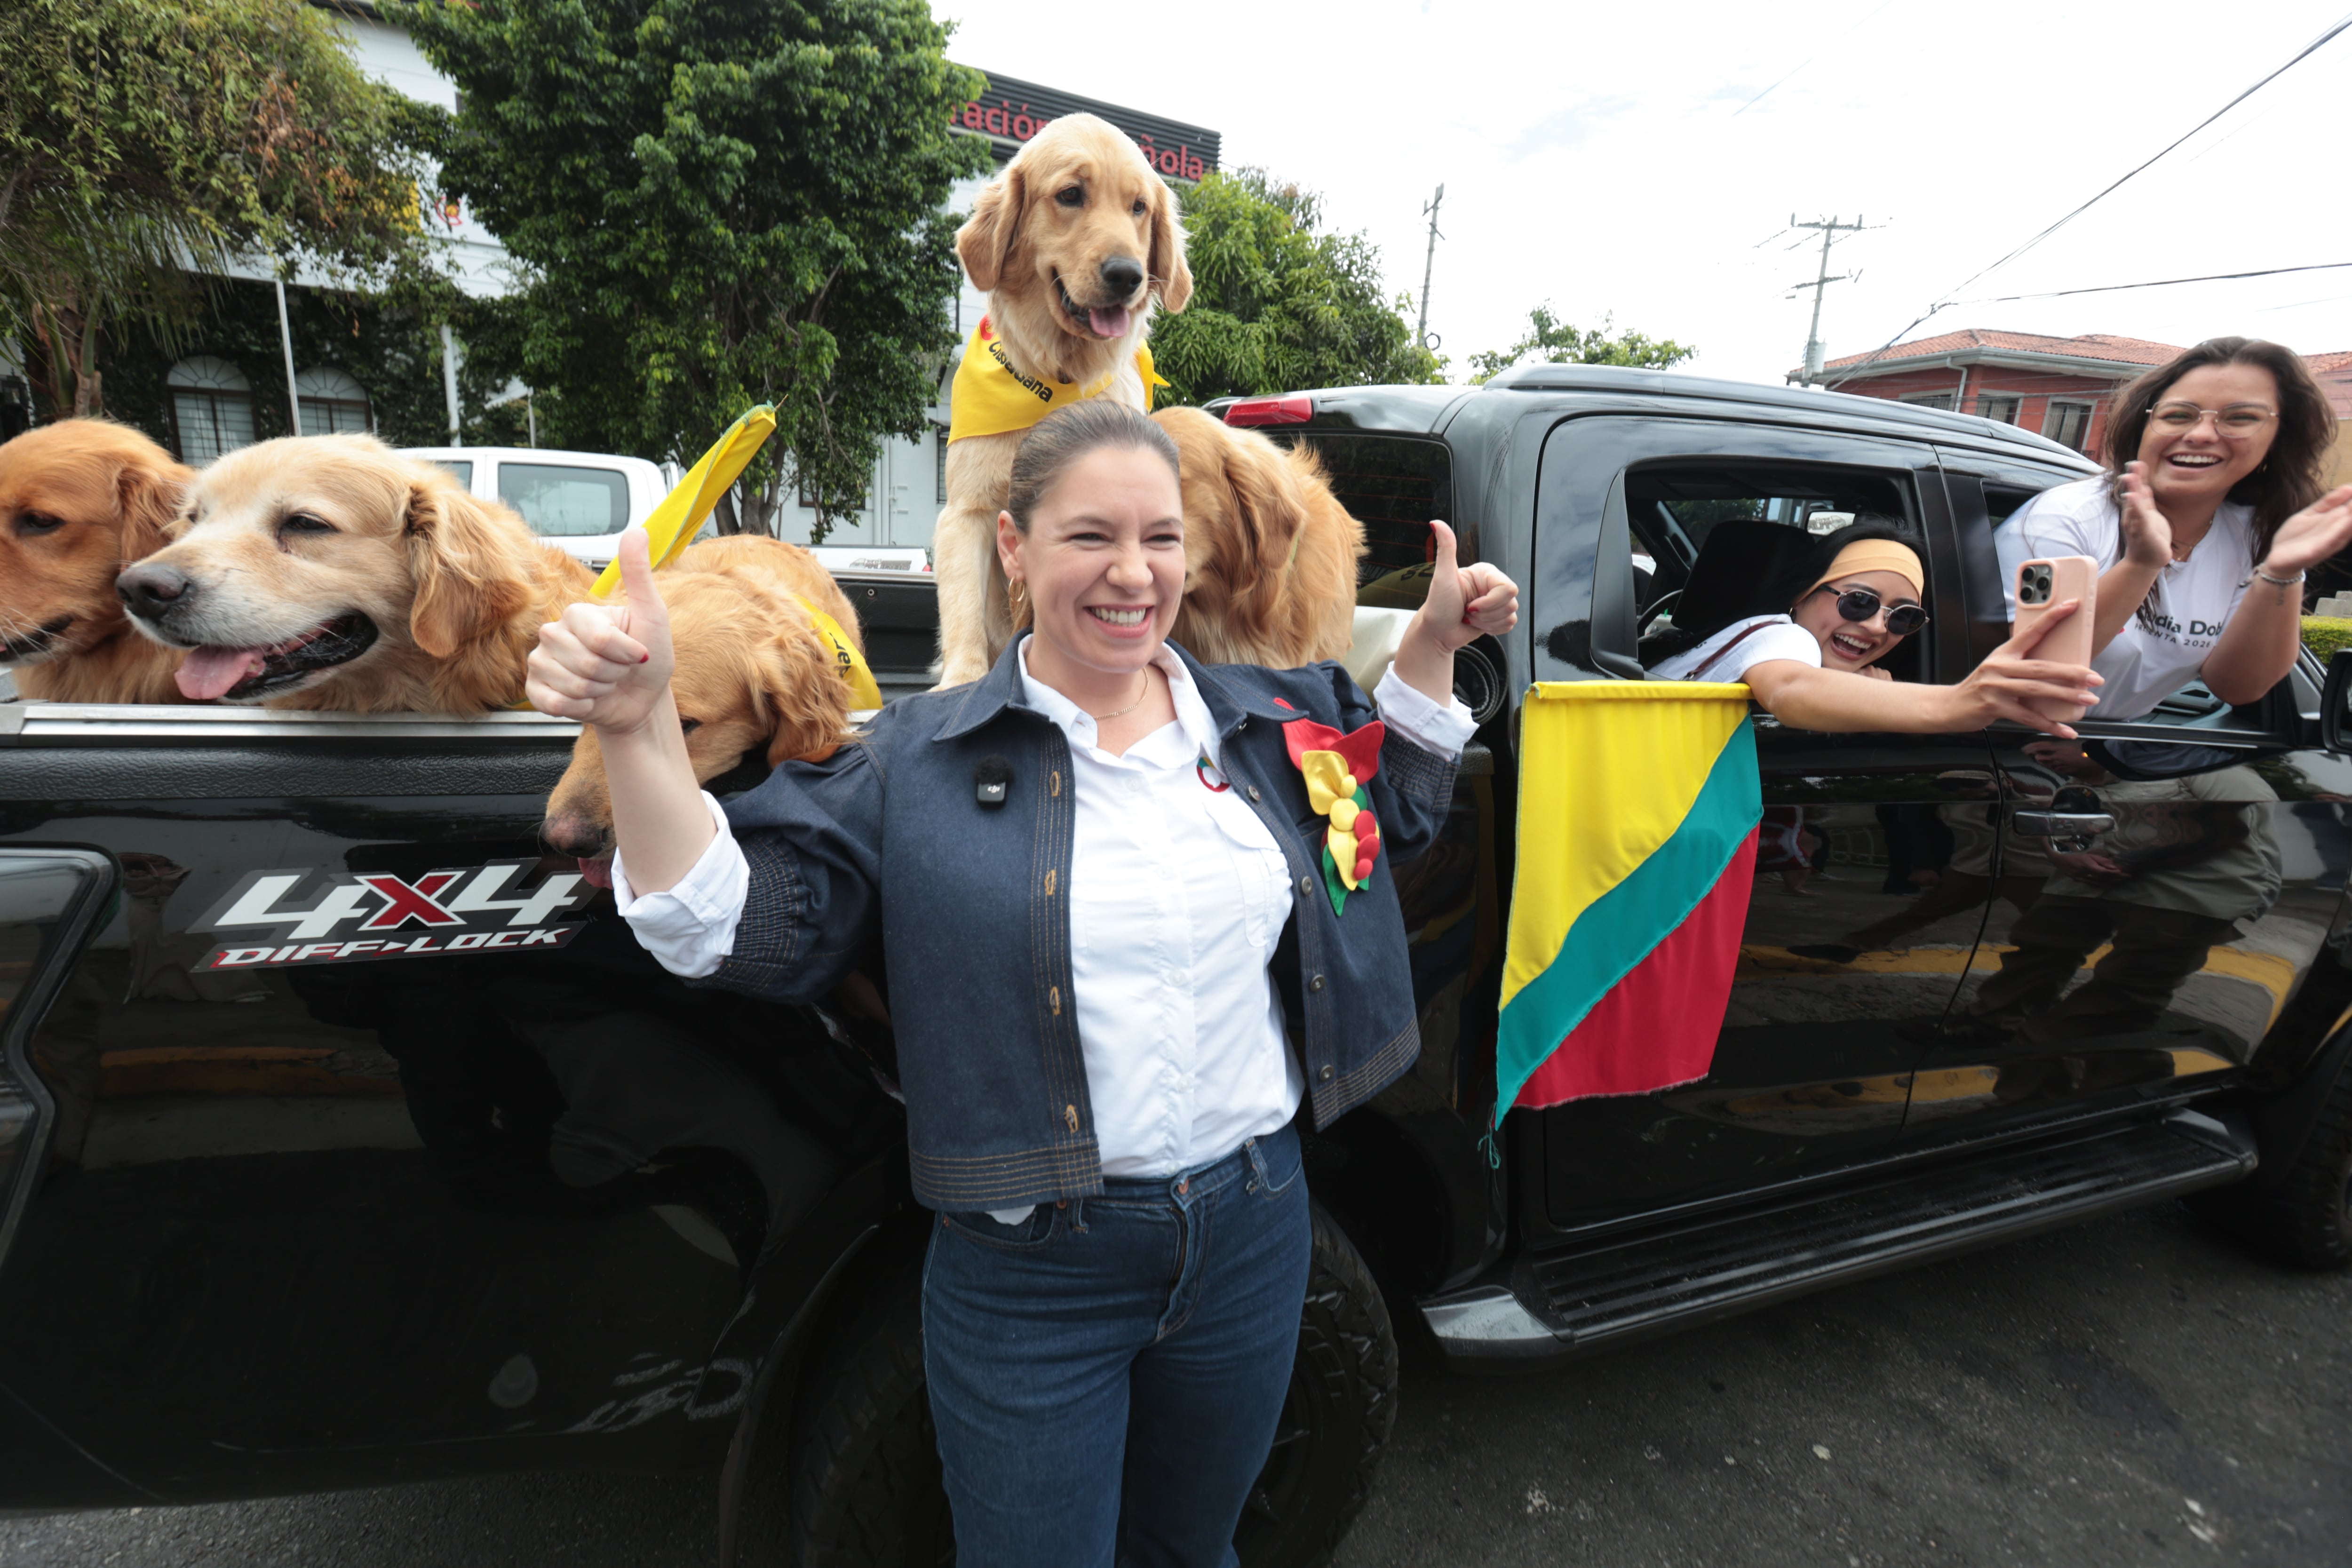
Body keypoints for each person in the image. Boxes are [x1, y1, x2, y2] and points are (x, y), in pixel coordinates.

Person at [523, 398, 1519, 1568]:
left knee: (1196, 1548)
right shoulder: (915, 761)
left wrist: (1433, 641)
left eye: (1159, 537)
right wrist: (637, 729)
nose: (1132, 573)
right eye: (1090, 535)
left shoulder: (1268, 718)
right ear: (1014, 546)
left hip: (1255, 1233)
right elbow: (731, 922)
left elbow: (1391, 810)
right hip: (1034, 1272)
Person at [1995, 335, 2352, 722]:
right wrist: (2142, 565)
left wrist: (2282, 573)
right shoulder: (2065, 519)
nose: (2200, 434)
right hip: (2011, 739)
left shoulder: (2250, 536)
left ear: (2279, 440)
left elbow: (2238, 687)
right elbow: (2037, 673)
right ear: (2144, 426)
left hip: (2116, 746)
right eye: (2179, 415)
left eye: (2240, 418)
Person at [1651, 521, 2103, 736]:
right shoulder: (1783, 637)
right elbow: (1789, 688)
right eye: (1859, 601)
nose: (1874, 626)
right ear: (1803, 595)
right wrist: (1958, 702)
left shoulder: (1733, 636)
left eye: (1903, 617)